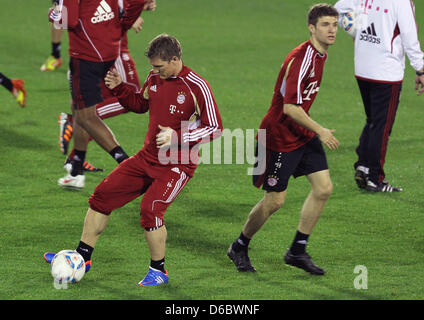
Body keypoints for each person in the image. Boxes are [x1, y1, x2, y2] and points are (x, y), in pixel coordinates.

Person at [44, 34, 223, 286]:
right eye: (152, 66)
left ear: (174, 60)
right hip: (146, 158)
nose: (154, 71)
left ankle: (159, 270)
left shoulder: (196, 86)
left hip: (177, 165)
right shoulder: (155, 78)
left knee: (151, 210)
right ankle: (83, 257)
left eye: (159, 66)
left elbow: (215, 127)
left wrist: (177, 136)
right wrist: (119, 87)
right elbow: (140, 104)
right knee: (102, 196)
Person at [227, 3, 339, 276]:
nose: (332, 30)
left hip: (300, 131)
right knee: (275, 201)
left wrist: (313, 130)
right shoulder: (302, 59)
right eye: (325, 25)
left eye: (335, 25)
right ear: (312, 28)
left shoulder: (320, 54)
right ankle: (239, 246)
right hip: (278, 136)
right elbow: (290, 108)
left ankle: (297, 251)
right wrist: (321, 131)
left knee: (323, 188)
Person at [48, 0, 152, 189]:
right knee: (79, 110)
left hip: (86, 56)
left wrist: (53, 14)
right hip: (108, 51)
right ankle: (76, 170)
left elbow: (69, 21)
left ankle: (130, 169)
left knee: (86, 117)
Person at [334, 0, 424, 192]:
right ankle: (375, 178)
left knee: (373, 121)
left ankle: (363, 165)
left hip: (362, 68)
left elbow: (337, 10)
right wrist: (420, 69)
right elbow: (410, 36)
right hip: (386, 73)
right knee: (382, 127)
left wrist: (354, 30)